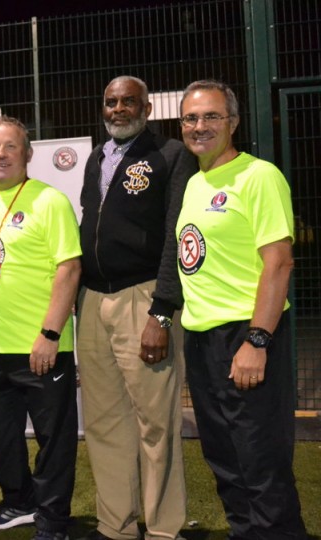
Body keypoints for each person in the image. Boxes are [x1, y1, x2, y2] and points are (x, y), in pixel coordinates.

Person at [176, 80, 307, 538]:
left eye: (212, 116)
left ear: (233, 122)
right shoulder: (195, 183)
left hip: (246, 335)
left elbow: (279, 262)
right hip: (201, 340)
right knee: (224, 458)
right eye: (191, 118)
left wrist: (257, 340)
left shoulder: (259, 176)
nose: (200, 126)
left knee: (260, 458)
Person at [76, 76, 196, 540]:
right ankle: (116, 526)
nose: (119, 109)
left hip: (143, 299)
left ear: (147, 108)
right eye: (111, 102)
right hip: (92, 300)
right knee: (105, 423)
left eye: (129, 101)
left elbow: (175, 236)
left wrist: (162, 311)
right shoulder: (96, 157)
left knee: (156, 424)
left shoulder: (170, 154)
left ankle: (164, 530)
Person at [0, 116, 81, 540]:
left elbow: (69, 268)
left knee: (54, 440)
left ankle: (53, 520)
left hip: (42, 346)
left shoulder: (51, 201)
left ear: (28, 154)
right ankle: (20, 500)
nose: (0, 154)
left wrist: (50, 334)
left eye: (10, 146)